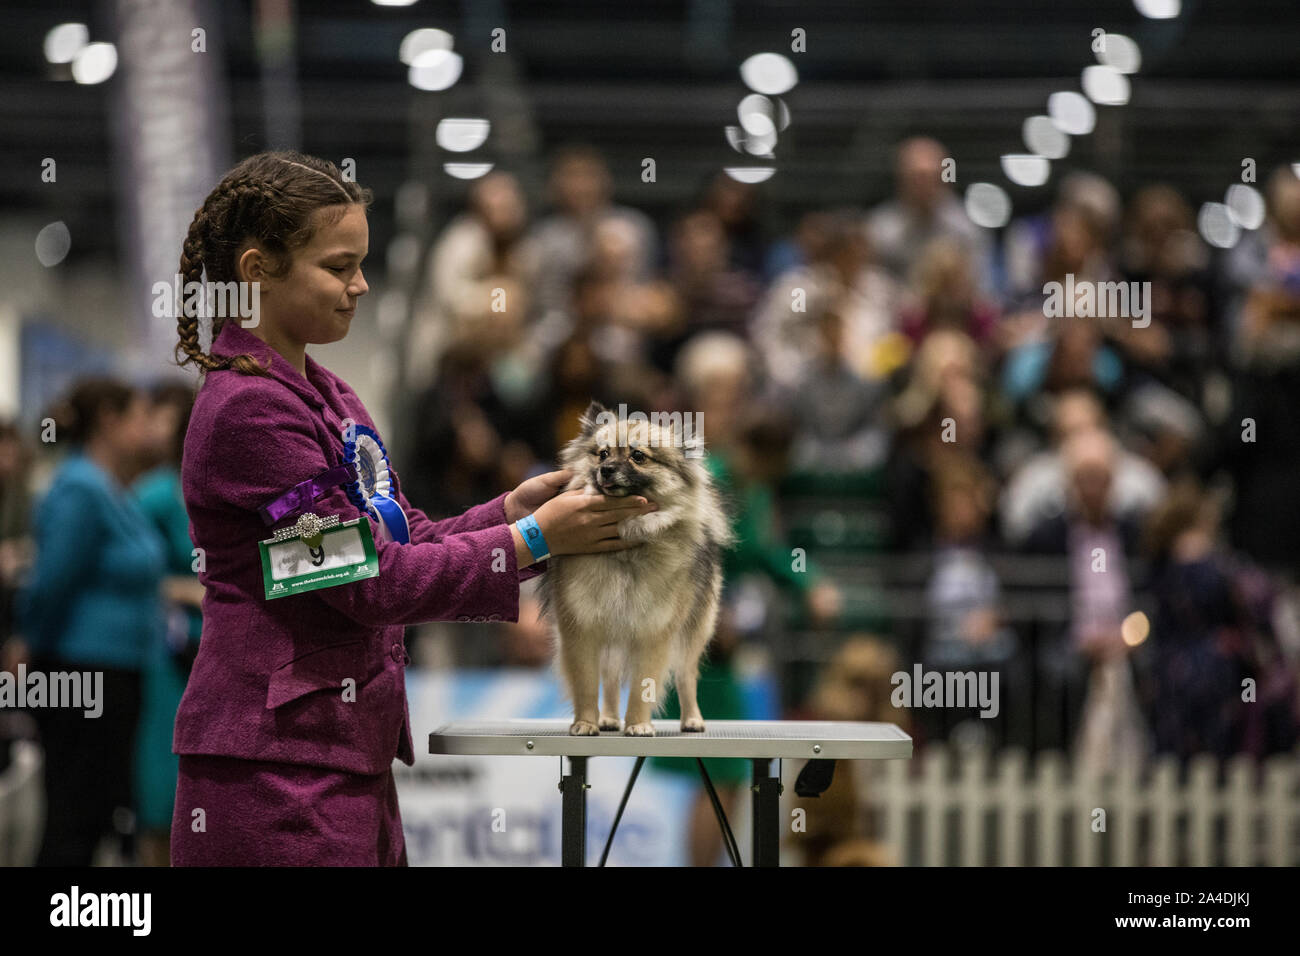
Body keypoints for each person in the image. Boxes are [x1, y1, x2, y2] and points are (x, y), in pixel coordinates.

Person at [168, 151, 657, 866]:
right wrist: (527, 540)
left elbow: (399, 537)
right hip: (273, 775)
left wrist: (507, 513)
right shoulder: (250, 413)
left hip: (338, 758)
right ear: (256, 271)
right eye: (338, 267)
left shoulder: (330, 393)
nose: (360, 285)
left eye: (360, 264)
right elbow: (366, 581)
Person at [17, 377, 166, 865]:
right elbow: (51, 582)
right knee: (73, 817)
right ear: (109, 420)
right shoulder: (80, 487)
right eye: (139, 416)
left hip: (116, 671)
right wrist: (26, 642)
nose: (148, 429)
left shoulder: (111, 489)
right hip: (81, 672)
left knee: (98, 812)